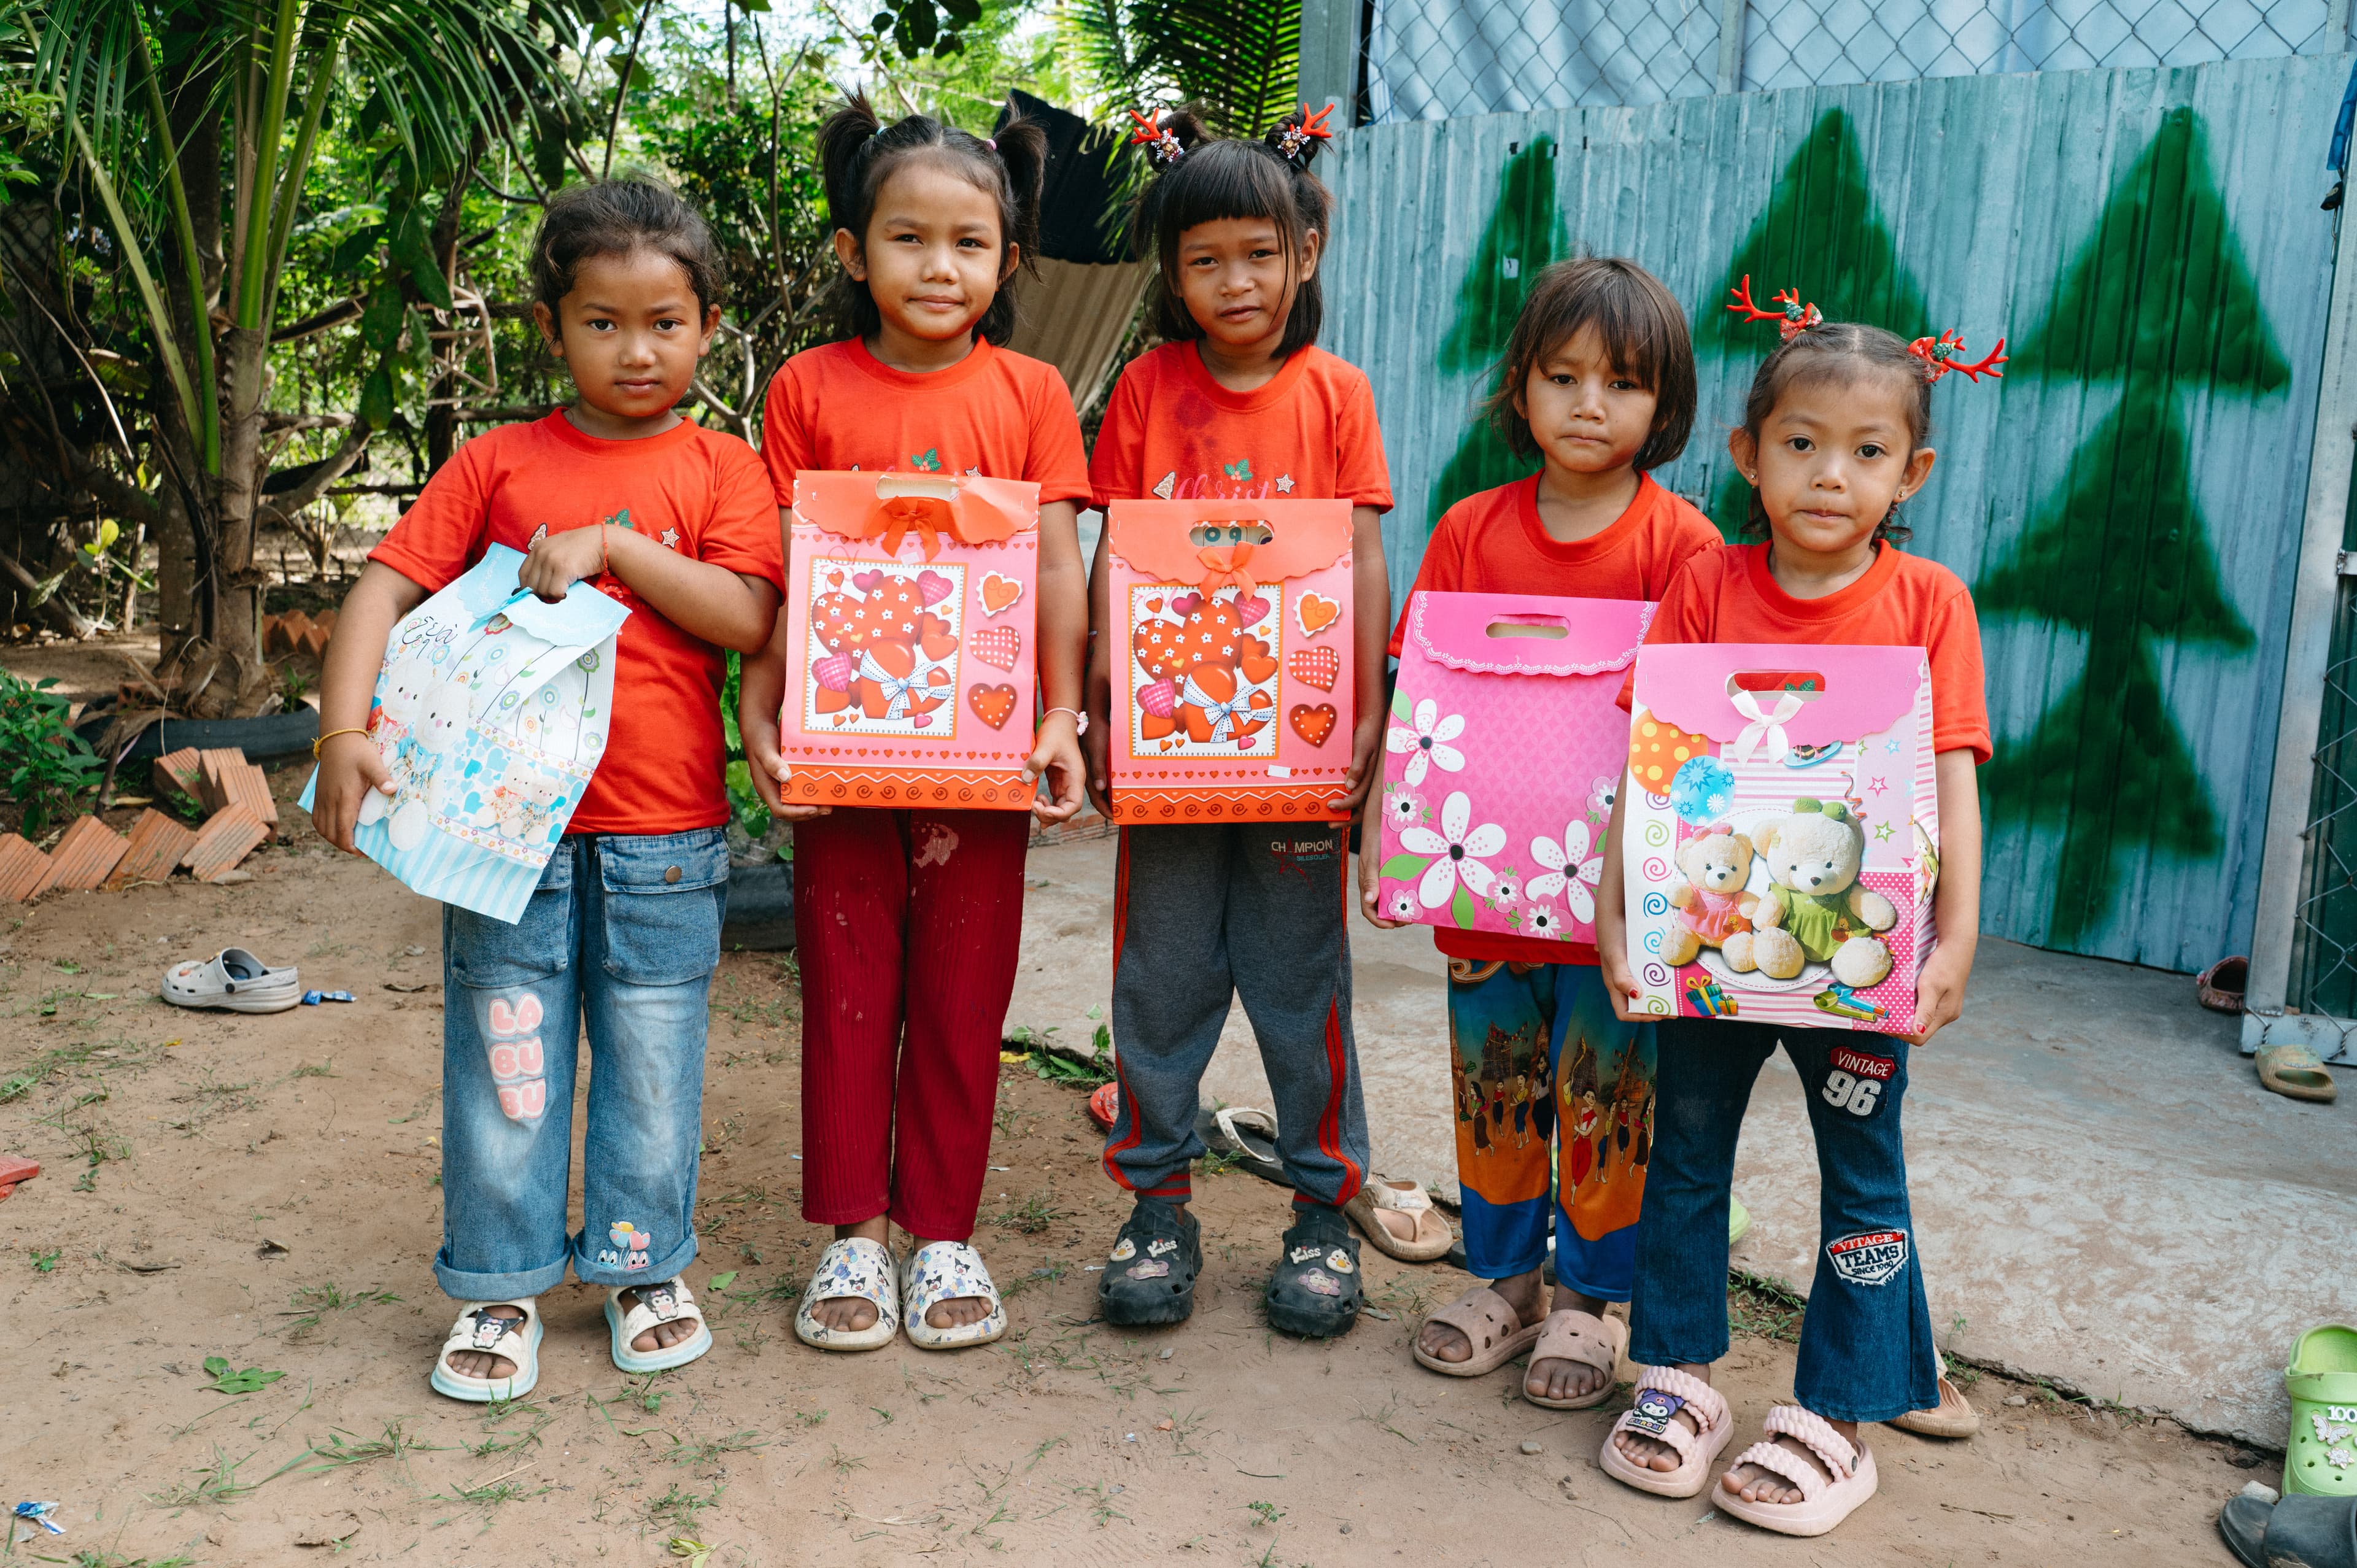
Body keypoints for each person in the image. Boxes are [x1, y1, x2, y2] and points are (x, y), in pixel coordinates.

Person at [309, 177, 784, 1400]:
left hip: (665, 840)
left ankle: (641, 1268)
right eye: (603, 324)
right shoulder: (496, 463)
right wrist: (341, 732)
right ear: (550, 327)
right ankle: (500, 1281)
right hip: (499, 840)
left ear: (708, 324)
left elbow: (745, 614)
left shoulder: (724, 469)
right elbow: (381, 589)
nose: (636, 351)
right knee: (506, 1059)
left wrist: (618, 549)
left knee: (653, 1063)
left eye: (665, 323)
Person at [1593, 299, 1994, 1537]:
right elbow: (1652, 772)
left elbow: (1954, 783)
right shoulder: (1706, 586)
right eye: (1803, 444)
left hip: (1857, 977)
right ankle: (1677, 1380)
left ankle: (1841, 1416)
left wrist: (1958, 939)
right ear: (1750, 453)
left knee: (1862, 1179)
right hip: (1711, 955)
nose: (1833, 475)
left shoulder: (1931, 604)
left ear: (1912, 470)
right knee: (1688, 1156)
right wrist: (1618, 917)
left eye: (1869, 451)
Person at [737, 97, 1090, 1353]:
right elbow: (784, 568)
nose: (940, 269)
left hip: (986, 757)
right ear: (852, 253)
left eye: (970, 243)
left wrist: (1061, 714)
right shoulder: (805, 390)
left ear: (1009, 259)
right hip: (844, 754)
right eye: (908, 240)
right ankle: (852, 1237)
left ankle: (943, 1234)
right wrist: (758, 704)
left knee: (959, 990)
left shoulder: (1036, 394)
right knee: (842, 979)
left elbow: (1057, 566)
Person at [1361, 258, 1717, 1407]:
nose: (1588, 404)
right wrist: (1387, 840)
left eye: (1620, 382)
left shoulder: (1685, 548)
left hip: (1614, 902)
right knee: (1498, 1087)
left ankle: (1588, 1307)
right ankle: (1506, 1280)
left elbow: (1697, 739)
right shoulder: (1470, 531)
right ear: (1521, 388)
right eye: (1561, 376)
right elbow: (1418, 699)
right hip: (1480, 880)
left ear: (1666, 405)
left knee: (1610, 1101)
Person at [1080, 106, 1392, 1338]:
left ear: (1303, 250)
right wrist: (1100, 710)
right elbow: (1115, 562)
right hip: (1168, 758)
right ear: (1171, 273)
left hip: (1298, 756)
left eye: (1258, 252)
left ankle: (1323, 1213)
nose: (1235, 281)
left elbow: (1363, 559)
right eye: (1204, 258)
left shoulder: (1336, 395)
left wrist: (1364, 718)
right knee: (1160, 979)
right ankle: (1158, 1203)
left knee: (1297, 980)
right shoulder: (1149, 391)